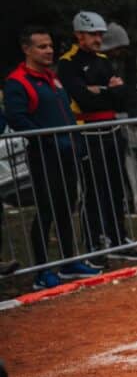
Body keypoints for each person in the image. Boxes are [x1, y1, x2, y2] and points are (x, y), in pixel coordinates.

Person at [5, 25, 102, 288]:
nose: (49, 51)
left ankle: (70, 261)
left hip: (68, 153)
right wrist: (47, 138)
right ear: (27, 49)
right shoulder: (17, 81)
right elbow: (17, 117)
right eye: (42, 47)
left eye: (50, 46)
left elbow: (66, 113)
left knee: (65, 207)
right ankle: (42, 271)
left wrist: (75, 142)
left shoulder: (52, 78)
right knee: (46, 209)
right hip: (44, 155)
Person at [57, 10, 132, 256]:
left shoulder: (102, 59)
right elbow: (83, 99)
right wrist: (106, 91)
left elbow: (122, 97)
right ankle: (94, 242)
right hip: (88, 132)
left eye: (100, 34)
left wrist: (101, 91)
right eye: (93, 35)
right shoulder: (69, 63)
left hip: (111, 129)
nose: (99, 39)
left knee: (116, 186)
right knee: (94, 189)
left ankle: (118, 237)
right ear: (79, 35)